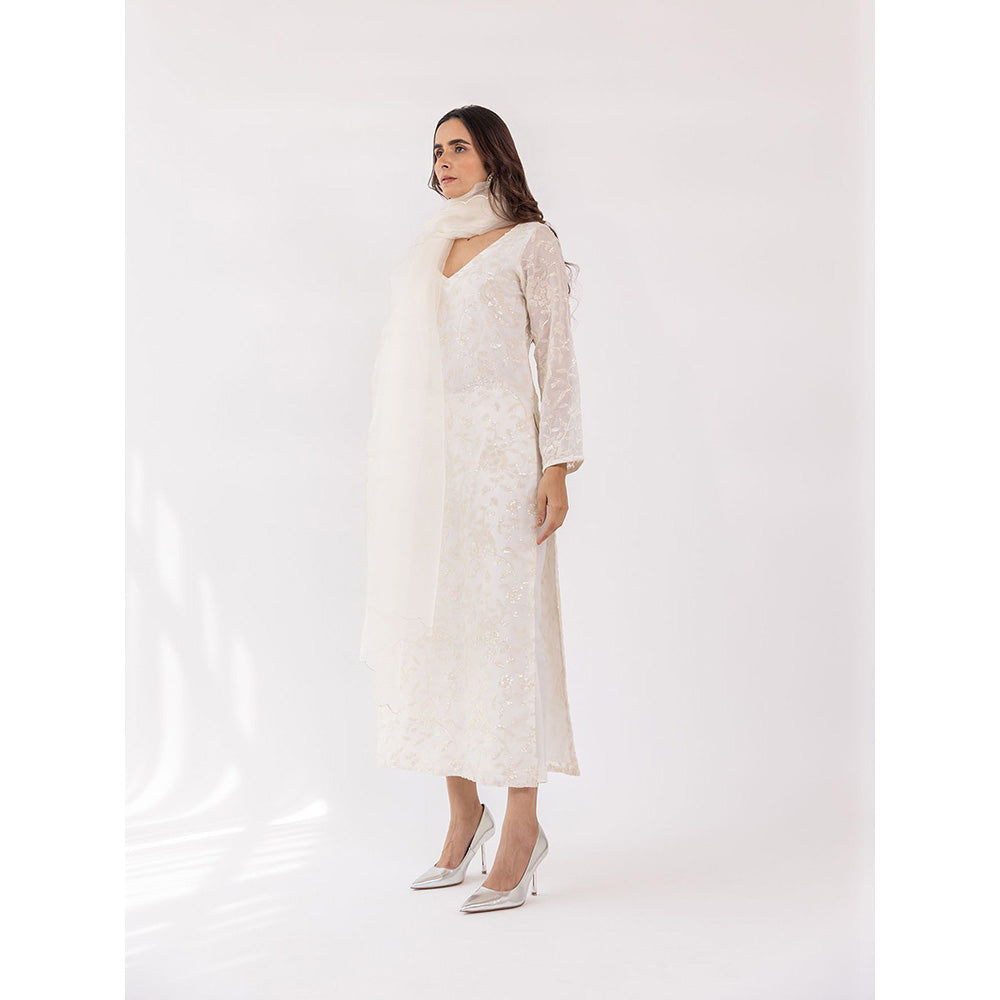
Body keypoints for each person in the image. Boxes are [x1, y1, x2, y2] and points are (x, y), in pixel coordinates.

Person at [360, 105, 585, 912]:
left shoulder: (531, 242)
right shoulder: (430, 248)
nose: (444, 161)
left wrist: (557, 465)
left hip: (501, 464)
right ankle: (464, 817)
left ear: (493, 156)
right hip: (428, 469)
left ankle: (521, 829)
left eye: (459, 147)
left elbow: (557, 357)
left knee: (505, 634)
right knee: (438, 630)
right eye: (436, 150)